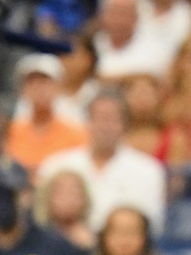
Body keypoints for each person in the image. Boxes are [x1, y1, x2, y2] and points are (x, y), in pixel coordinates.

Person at [37, 92, 169, 234]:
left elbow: (149, 226)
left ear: (125, 124)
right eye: (99, 118)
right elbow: (41, 219)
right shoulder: (55, 165)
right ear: (87, 123)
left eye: (112, 119)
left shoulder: (148, 170)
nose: (105, 126)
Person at [5, 55, 90, 174]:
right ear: (22, 89)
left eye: (44, 82)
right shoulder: (11, 131)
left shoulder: (76, 132)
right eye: (31, 82)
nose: (38, 87)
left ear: (58, 87)